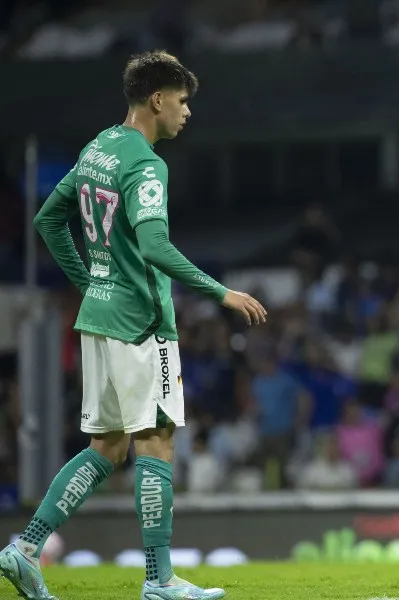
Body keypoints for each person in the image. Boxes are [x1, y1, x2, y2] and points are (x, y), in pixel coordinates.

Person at [0, 51, 267, 600]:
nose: (187, 113)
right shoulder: (147, 164)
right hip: (142, 322)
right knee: (157, 441)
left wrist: (88, 280)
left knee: (109, 446)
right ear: (158, 100)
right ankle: (158, 578)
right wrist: (221, 291)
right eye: (184, 102)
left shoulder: (99, 147)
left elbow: (49, 219)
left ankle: (25, 549)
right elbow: (154, 245)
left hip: (99, 317)